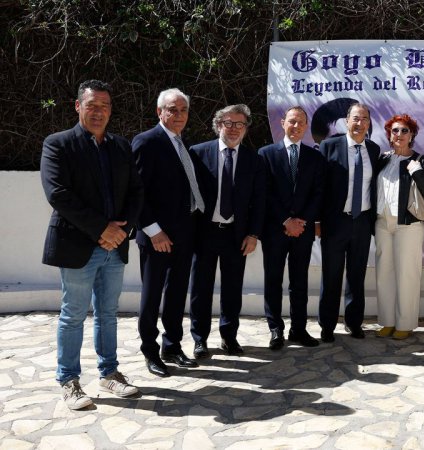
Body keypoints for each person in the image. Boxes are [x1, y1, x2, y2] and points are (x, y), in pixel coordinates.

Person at [41, 79, 144, 409]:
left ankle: (109, 373)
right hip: (78, 246)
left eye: (105, 106)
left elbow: (136, 192)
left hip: (115, 246)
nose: (99, 112)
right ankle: (68, 380)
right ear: (78, 106)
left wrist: (122, 231)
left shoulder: (121, 146)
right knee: (73, 315)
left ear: (110, 110)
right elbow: (58, 194)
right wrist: (102, 230)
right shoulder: (58, 144)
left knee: (108, 313)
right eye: (92, 105)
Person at [133, 88, 202, 377]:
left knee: (176, 293)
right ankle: (150, 351)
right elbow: (136, 192)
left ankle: (172, 346)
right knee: (151, 297)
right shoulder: (146, 142)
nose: (179, 115)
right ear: (159, 112)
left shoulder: (183, 143)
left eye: (183, 110)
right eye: (173, 109)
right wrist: (153, 231)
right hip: (157, 237)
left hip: (184, 233)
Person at [189, 104, 265, 356]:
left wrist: (253, 234)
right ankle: (199, 339)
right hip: (204, 233)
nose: (234, 129)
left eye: (239, 124)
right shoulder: (198, 153)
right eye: (228, 123)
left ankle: (229, 337)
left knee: (233, 289)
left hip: (237, 235)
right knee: (201, 289)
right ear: (218, 125)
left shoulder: (254, 159)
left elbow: (259, 200)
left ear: (245, 129)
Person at [259, 106, 325, 350]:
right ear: (283, 123)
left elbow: (318, 193)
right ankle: (275, 329)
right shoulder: (266, 154)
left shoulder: (315, 157)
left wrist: (301, 221)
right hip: (275, 230)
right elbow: (264, 193)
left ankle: (299, 329)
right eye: (292, 121)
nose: (296, 126)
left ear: (306, 126)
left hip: (303, 231)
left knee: (299, 282)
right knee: (273, 280)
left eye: (300, 123)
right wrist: (286, 220)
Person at [317, 103, 380, 342]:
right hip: (335, 222)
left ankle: (354, 323)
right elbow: (320, 187)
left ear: (369, 123)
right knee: (331, 276)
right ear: (346, 121)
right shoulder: (329, 146)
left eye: (364, 119)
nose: (359, 123)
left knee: (357, 275)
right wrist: (317, 220)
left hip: (362, 221)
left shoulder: (373, 150)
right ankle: (327, 325)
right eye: (355, 118)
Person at [374, 114, 424, 340]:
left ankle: (404, 324)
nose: (399, 134)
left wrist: (416, 171)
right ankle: (388, 322)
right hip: (382, 223)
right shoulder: (383, 159)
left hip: (408, 226)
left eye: (404, 131)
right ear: (389, 135)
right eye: (395, 131)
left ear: (412, 135)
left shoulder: (421, 160)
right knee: (384, 275)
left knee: (407, 275)